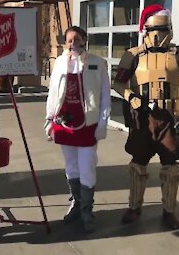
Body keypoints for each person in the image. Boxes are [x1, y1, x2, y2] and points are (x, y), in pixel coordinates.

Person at [112, 4, 179, 230]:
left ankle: (169, 211)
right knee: (137, 165)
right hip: (142, 118)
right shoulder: (132, 55)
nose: (157, 36)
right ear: (145, 30)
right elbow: (118, 83)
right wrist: (132, 98)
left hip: (169, 119)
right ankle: (134, 207)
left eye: (163, 30)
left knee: (171, 168)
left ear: (170, 29)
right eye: (154, 30)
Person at [45, 26, 111, 233]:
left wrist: (102, 123)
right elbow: (52, 94)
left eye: (77, 39)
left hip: (87, 126)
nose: (73, 43)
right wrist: (49, 120)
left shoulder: (98, 64)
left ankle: (86, 210)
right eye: (69, 40)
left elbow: (105, 97)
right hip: (65, 124)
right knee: (71, 167)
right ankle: (75, 204)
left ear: (85, 40)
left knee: (87, 167)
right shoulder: (60, 64)